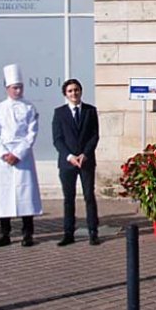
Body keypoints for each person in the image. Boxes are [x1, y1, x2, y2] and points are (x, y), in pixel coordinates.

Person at [0, 64, 42, 247]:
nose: (18, 91)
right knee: (3, 194)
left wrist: (18, 153)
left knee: (26, 193)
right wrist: (4, 153)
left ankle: (27, 233)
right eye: (14, 88)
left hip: (22, 155)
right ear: (7, 88)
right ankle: (4, 233)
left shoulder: (29, 107)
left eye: (20, 87)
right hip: (3, 156)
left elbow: (32, 133)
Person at [52, 78, 100, 246]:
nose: (74, 93)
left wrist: (85, 154)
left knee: (89, 196)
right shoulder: (59, 113)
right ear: (65, 94)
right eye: (70, 91)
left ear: (81, 91)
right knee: (69, 198)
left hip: (86, 161)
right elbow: (57, 139)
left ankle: (93, 231)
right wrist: (70, 156)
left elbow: (94, 135)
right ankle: (68, 233)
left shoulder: (90, 111)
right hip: (67, 163)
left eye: (76, 90)